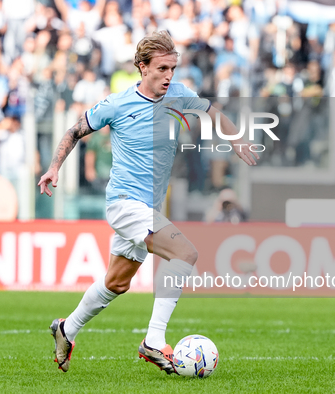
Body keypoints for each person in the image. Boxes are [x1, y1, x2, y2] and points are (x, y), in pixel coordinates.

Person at [38, 31, 260, 375]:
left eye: (173, 68)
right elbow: (74, 132)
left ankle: (66, 330)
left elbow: (214, 113)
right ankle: (154, 340)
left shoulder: (180, 95)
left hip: (149, 209)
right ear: (142, 68)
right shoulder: (117, 104)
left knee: (117, 283)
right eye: (161, 68)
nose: (169, 76)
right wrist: (53, 167)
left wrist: (236, 139)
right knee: (185, 253)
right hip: (125, 203)